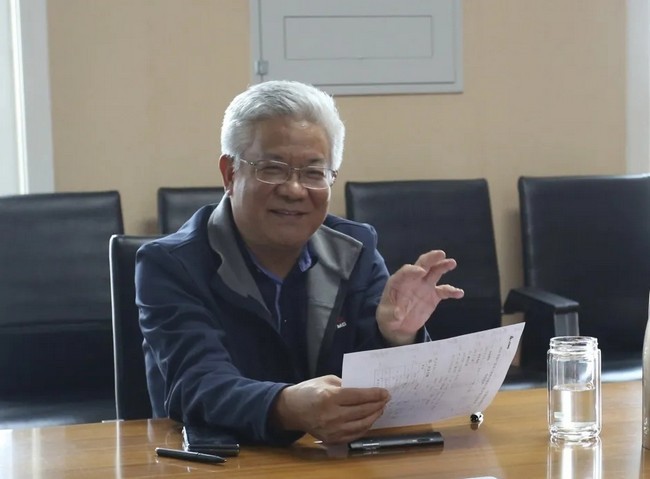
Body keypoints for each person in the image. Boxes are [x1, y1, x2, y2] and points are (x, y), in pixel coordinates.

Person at [136, 80, 464, 446]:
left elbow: (382, 388)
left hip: (335, 462)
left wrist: (398, 337)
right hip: (224, 461)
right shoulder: (171, 265)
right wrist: (287, 407)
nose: (294, 190)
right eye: (273, 169)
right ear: (230, 174)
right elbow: (197, 386)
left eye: (313, 173)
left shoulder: (355, 250)